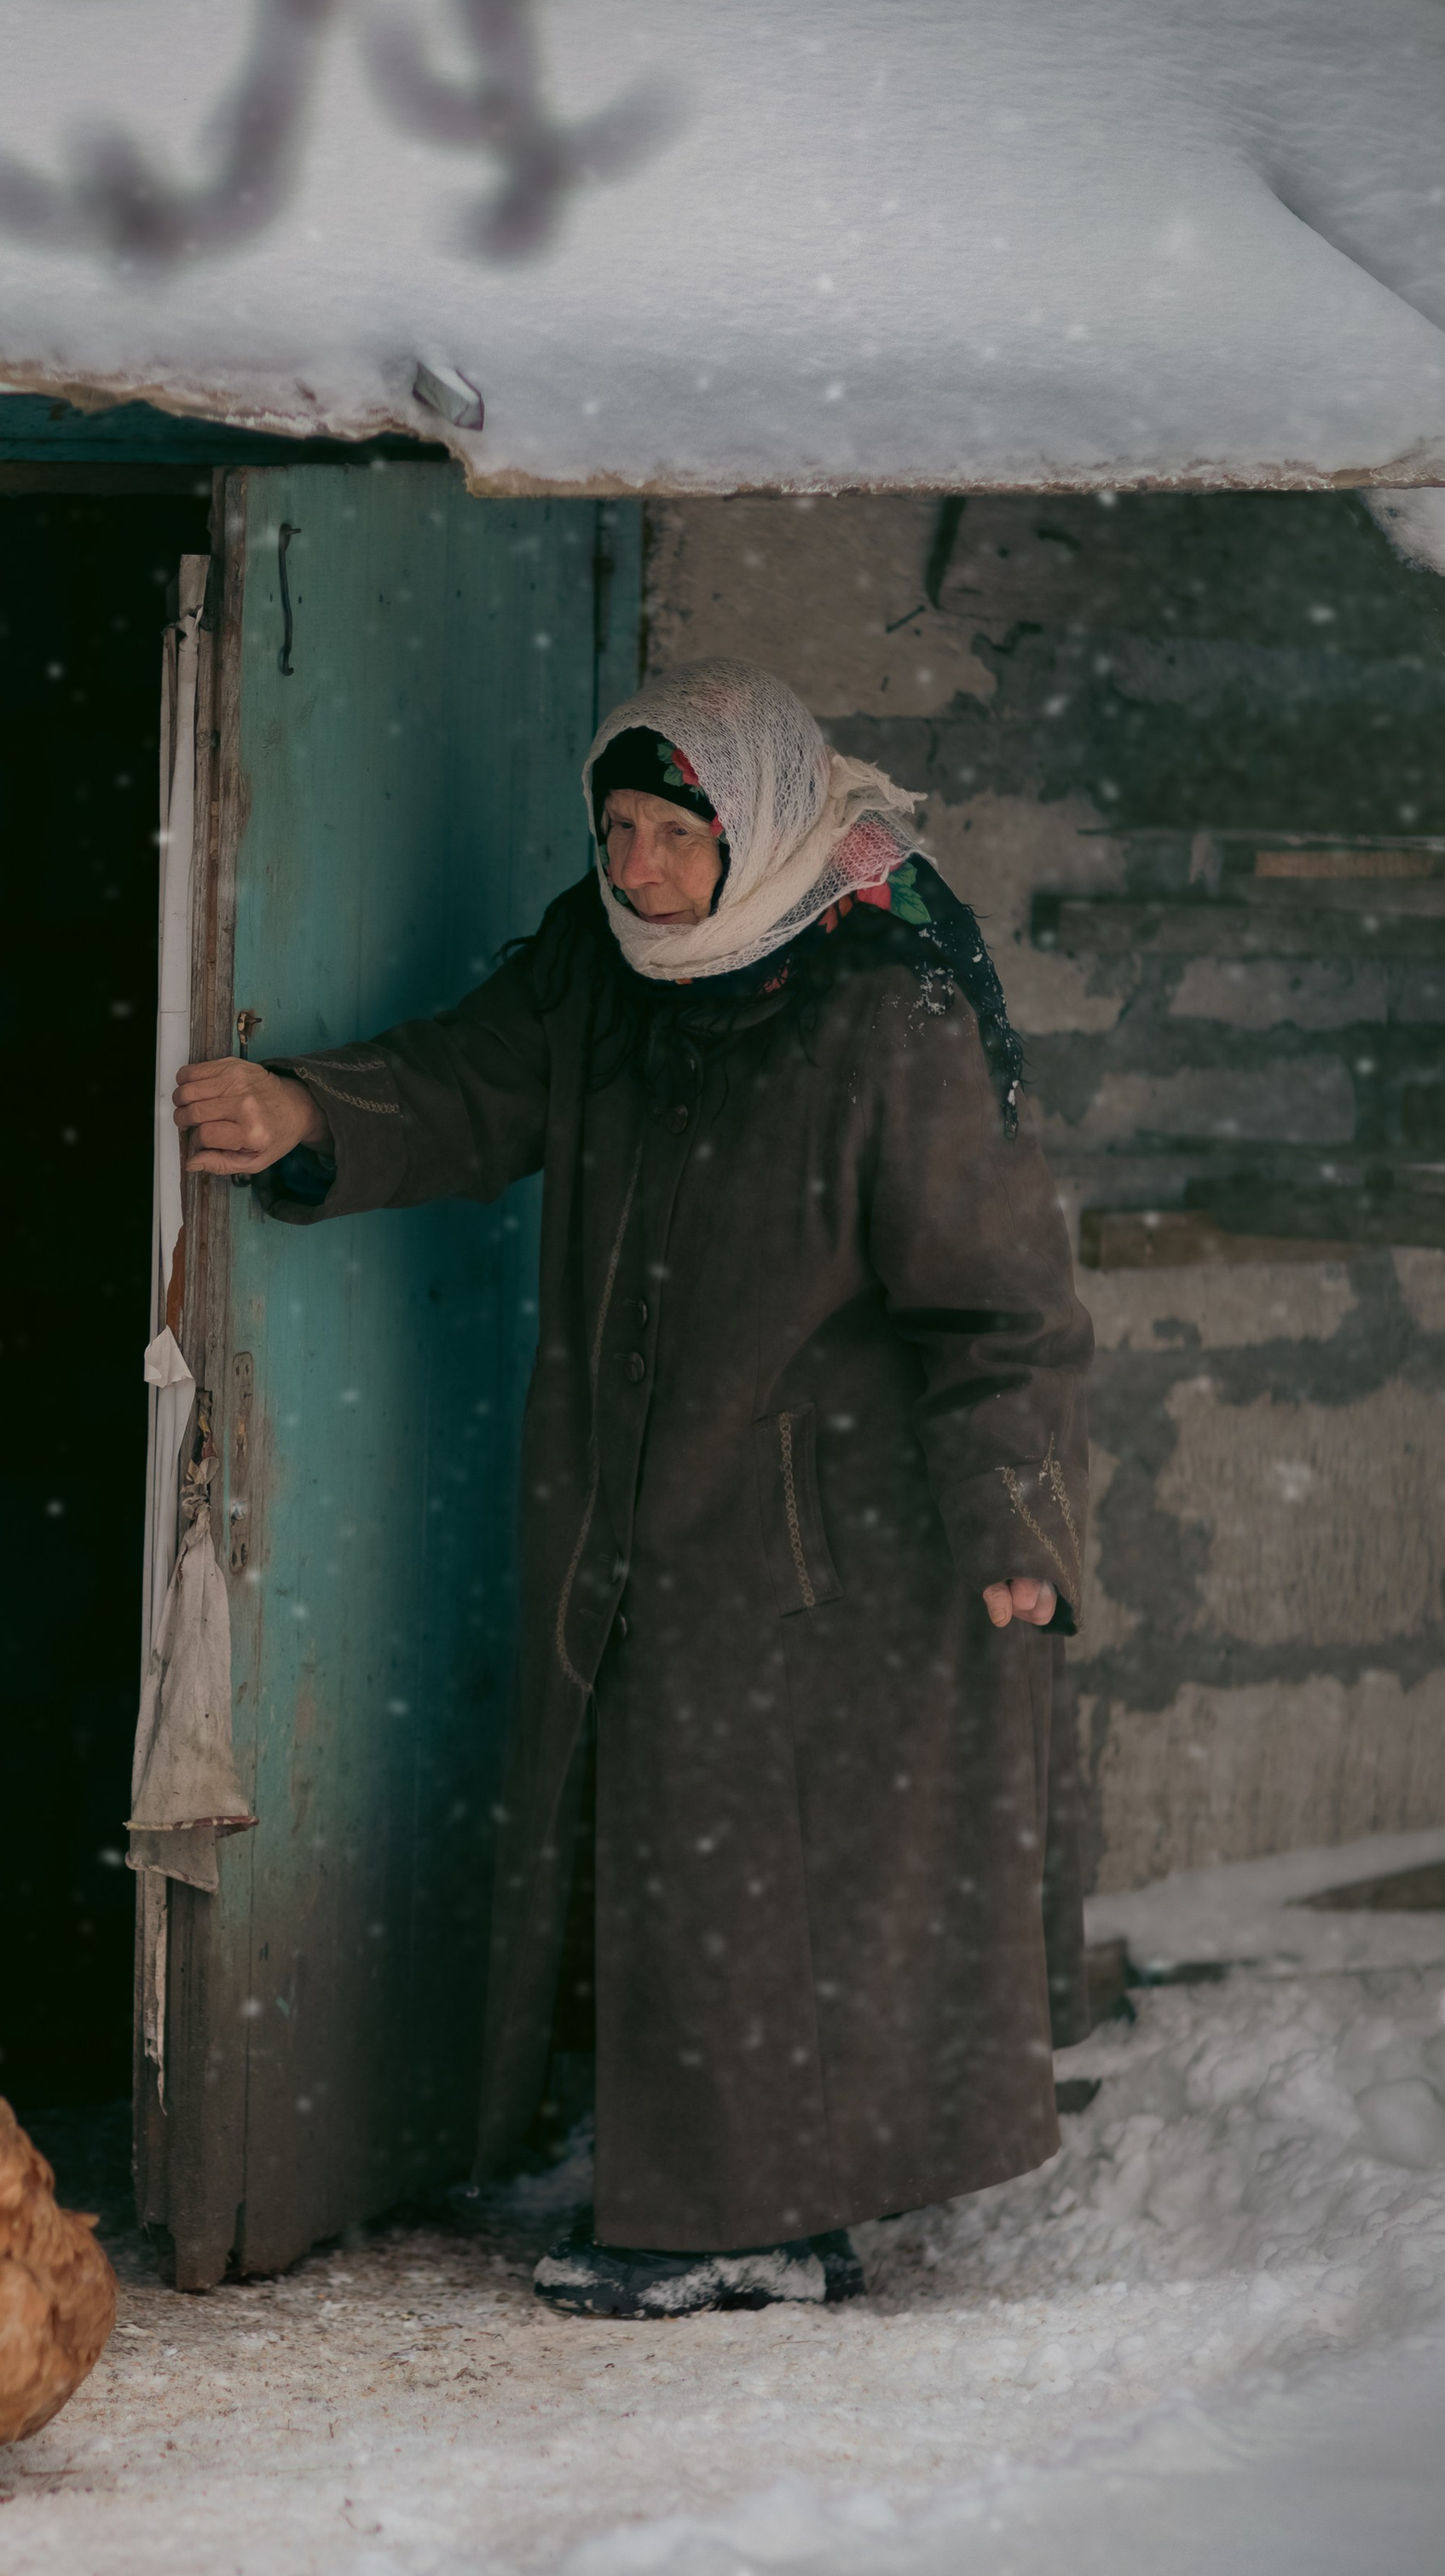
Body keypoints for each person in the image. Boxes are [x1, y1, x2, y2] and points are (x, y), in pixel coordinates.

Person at [174, 660, 1091, 2319]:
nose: (640, 870)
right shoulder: (604, 970)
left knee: (768, 1867)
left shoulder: (883, 1003)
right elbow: (472, 1079)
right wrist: (310, 1111)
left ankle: (743, 2222)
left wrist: (1013, 1518)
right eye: (619, 829)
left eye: (677, 835)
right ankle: (709, 2185)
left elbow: (999, 1297)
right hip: (642, 1504)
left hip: (834, 1531)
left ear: (757, 827)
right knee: (676, 1848)